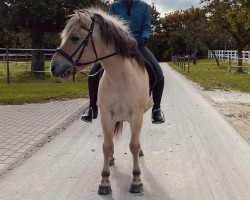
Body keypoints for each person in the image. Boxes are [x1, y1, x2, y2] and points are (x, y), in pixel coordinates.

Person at [82, 0, 165, 124]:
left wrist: (144, 37)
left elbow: (147, 27)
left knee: (158, 74)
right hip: (118, 46)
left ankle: (156, 109)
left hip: (138, 44)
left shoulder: (144, 7)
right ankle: (92, 107)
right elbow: (108, 26)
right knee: (93, 73)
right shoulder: (114, 6)